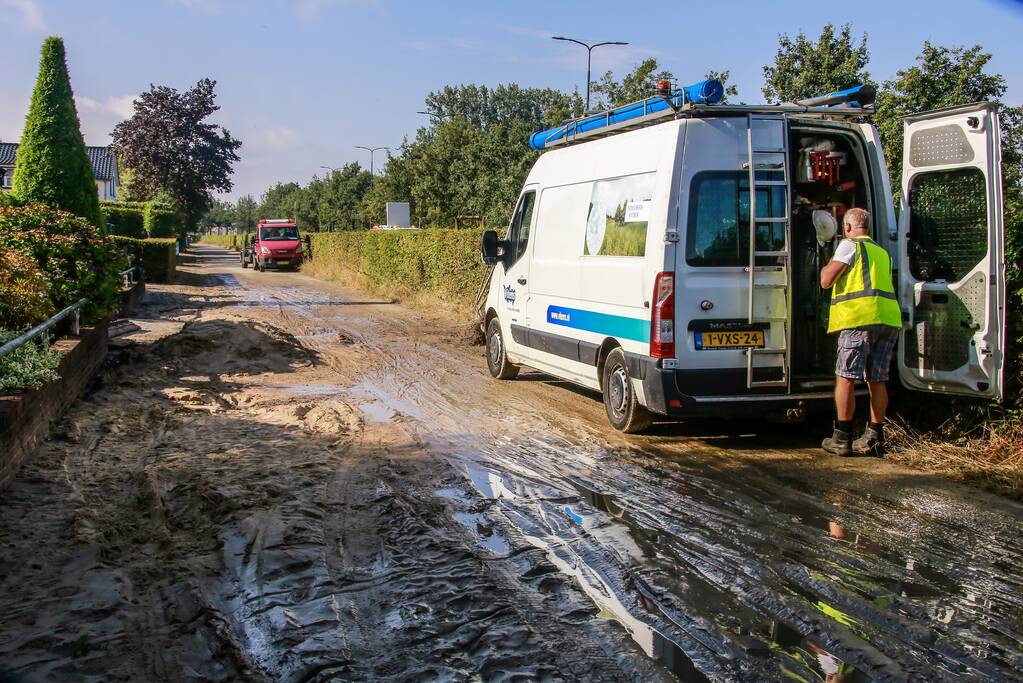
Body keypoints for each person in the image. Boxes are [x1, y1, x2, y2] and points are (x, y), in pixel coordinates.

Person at [818, 208, 901, 456]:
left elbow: (826, 280)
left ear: (847, 227)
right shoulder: (883, 253)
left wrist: (826, 265)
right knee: (877, 379)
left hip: (858, 319)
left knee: (846, 377)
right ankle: (875, 437)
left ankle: (842, 437)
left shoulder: (848, 245)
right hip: (887, 320)